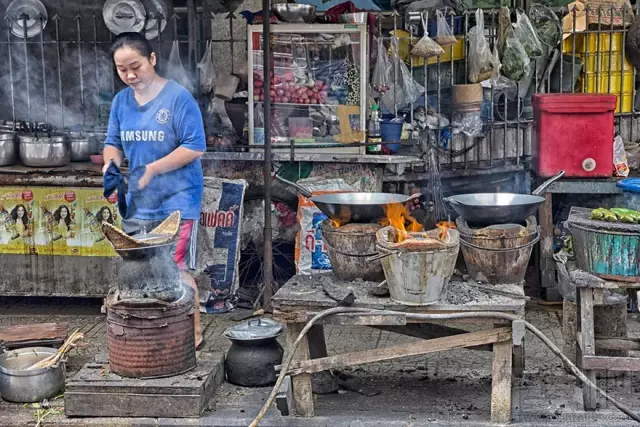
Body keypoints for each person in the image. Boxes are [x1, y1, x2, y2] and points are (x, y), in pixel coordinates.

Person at [103, 32, 206, 349]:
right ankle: (158, 335)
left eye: (135, 66)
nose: (130, 75)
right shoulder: (121, 102)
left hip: (177, 200)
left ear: (152, 59)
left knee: (172, 268)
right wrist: (110, 168)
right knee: (141, 267)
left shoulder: (178, 98)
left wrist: (152, 168)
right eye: (122, 70)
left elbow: (194, 147)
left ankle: (194, 336)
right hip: (138, 203)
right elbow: (113, 144)